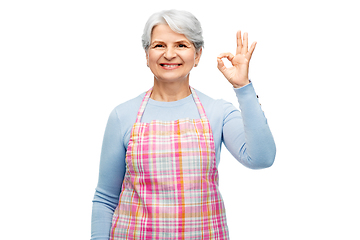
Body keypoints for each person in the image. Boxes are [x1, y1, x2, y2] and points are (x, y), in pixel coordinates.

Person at [91, 9, 276, 240]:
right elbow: (106, 197)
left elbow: (262, 158)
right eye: (159, 45)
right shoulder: (122, 115)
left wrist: (243, 87)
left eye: (181, 45)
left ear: (197, 55)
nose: (169, 54)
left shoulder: (217, 112)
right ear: (147, 54)